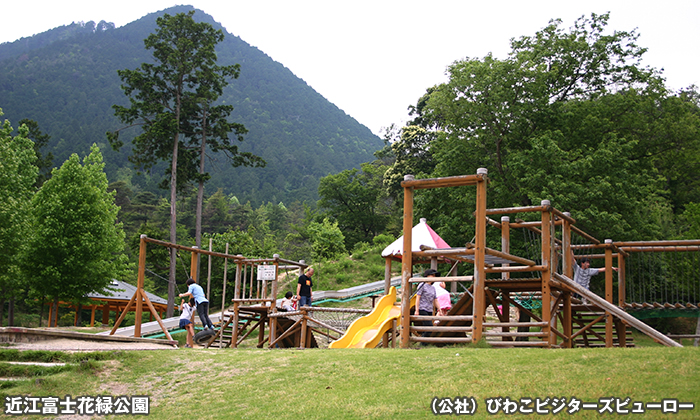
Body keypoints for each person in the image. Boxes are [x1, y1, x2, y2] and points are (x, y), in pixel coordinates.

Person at [414, 269, 439, 339]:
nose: (434, 277)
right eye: (432, 275)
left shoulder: (433, 288)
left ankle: (425, 342)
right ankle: (423, 342)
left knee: (428, 327)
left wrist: (440, 309)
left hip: (429, 309)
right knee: (429, 327)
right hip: (422, 308)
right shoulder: (422, 285)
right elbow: (418, 297)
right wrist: (417, 310)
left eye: (435, 276)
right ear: (427, 276)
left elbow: (435, 300)